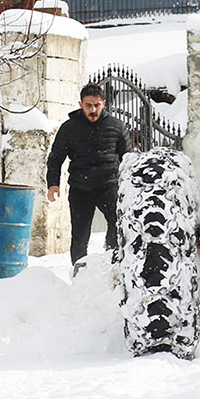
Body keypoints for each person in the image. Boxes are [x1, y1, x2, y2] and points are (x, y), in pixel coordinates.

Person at [46, 84, 132, 273]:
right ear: (81, 104)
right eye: (88, 105)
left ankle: (112, 261)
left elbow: (128, 158)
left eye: (96, 105)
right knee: (80, 234)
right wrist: (53, 184)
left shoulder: (116, 126)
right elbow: (56, 157)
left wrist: (130, 185)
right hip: (80, 187)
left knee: (117, 223)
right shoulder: (69, 128)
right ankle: (80, 272)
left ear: (104, 103)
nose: (92, 110)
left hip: (109, 185)